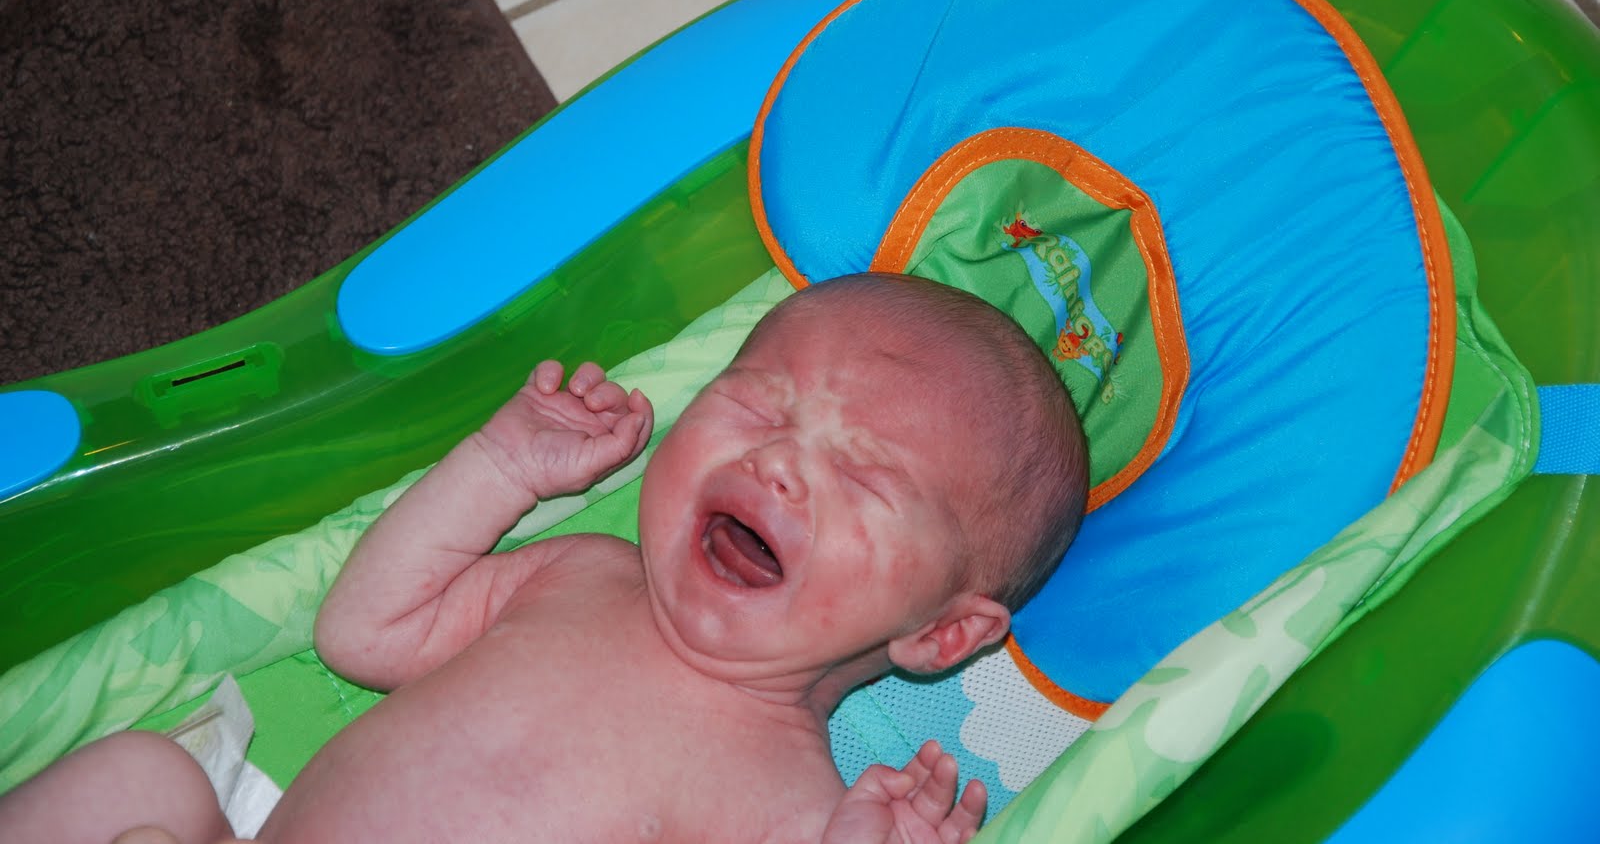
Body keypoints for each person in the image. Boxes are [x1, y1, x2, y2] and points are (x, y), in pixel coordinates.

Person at [0, 272, 1089, 844]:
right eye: (759, 405)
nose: (779, 467)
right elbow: (363, 633)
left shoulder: (789, 805)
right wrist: (501, 466)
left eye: (861, 479)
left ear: (941, 634)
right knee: (141, 774)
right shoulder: (576, 574)